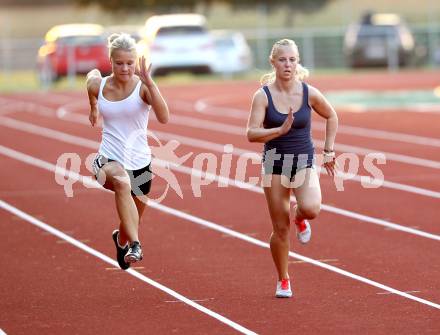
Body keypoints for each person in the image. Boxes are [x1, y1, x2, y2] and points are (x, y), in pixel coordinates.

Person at [246, 39, 338, 298]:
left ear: (298, 62)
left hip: (303, 161)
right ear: (273, 62)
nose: (288, 65)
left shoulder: (309, 92)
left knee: (311, 208)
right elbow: (251, 133)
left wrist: (329, 150)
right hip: (274, 165)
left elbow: (332, 115)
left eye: (292, 60)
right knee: (280, 228)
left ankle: (300, 217)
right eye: (283, 60)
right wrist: (278, 130)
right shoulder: (262, 95)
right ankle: (283, 278)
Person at [86, 33, 169, 270]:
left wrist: (151, 83)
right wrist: (93, 107)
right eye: (119, 63)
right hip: (107, 160)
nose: (125, 68)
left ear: (137, 62)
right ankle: (135, 244)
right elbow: (90, 77)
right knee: (122, 182)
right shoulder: (99, 85)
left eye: (130, 63)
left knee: (132, 218)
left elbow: (164, 118)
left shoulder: (142, 88)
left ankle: (122, 239)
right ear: (110, 62)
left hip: (140, 164)